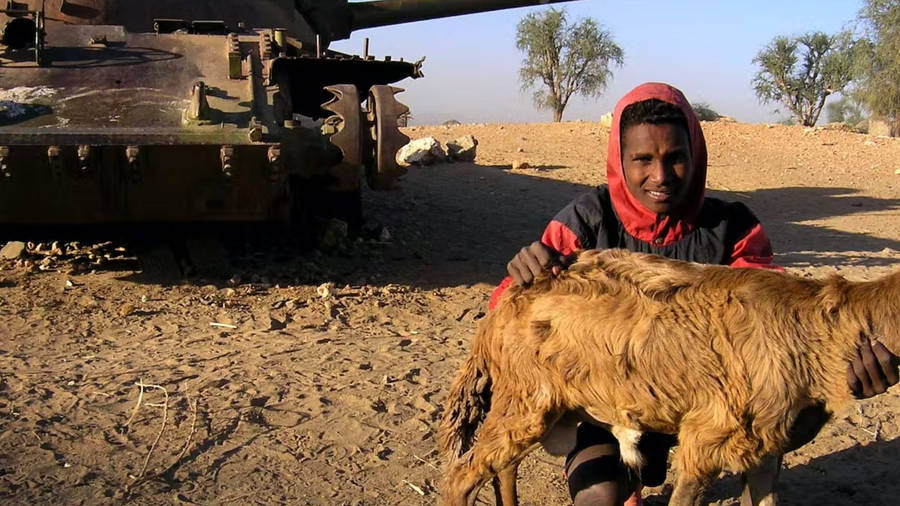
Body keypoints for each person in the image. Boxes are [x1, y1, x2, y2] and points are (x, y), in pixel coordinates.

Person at [490, 82, 900, 506]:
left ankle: (753, 473)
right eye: (642, 159)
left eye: (676, 158)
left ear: (696, 155)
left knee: (785, 406)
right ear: (619, 159)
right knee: (599, 499)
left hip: (708, 405)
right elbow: (515, 317)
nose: (661, 176)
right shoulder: (584, 222)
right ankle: (623, 477)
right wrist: (521, 276)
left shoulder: (734, 228)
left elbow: (779, 328)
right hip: (607, 404)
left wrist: (843, 372)